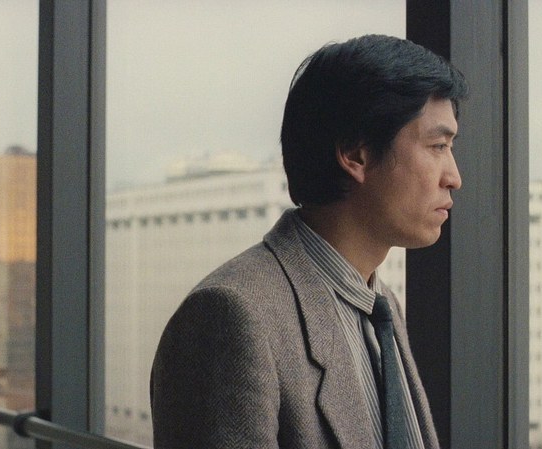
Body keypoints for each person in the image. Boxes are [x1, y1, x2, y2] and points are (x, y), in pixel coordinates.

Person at [150, 34, 467, 449]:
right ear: (355, 155)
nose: (454, 177)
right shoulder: (231, 316)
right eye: (438, 146)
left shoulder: (381, 304)